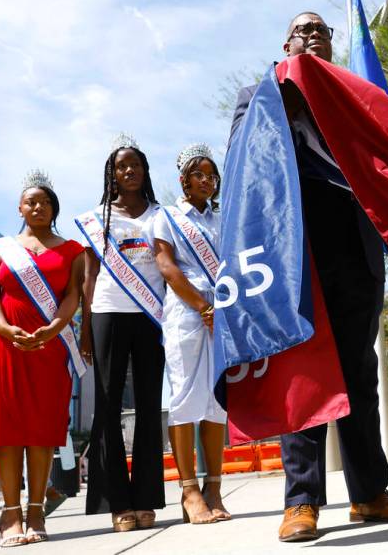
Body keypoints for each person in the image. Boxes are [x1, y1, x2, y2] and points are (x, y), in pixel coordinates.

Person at [230, 13, 388, 543]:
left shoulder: (352, 94)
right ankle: (301, 502)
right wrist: (286, 106)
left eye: (322, 30)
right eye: (303, 29)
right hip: (294, 257)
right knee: (304, 375)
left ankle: (369, 494)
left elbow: (379, 172)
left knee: (360, 377)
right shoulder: (259, 94)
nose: (314, 34)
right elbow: (244, 165)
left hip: (355, 254)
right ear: (286, 43)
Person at [76, 134, 167, 532]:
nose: (129, 171)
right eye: (121, 166)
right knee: (108, 409)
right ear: (112, 175)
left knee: (149, 406)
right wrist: (84, 329)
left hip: (151, 315)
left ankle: (146, 499)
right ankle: (118, 504)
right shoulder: (97, 219)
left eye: (136, 165)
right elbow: (87, 276)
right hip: (107, 313)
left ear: (145, 171)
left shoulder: (160, 214)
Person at [0, 172, 85, 546]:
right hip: (6, 345)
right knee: (7, 429)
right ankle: (11, 513)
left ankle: (36, 509)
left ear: (53, 207)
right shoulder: (1, 249)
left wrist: (52, 329)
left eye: (45, 201)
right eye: (31, 201)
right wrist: (2, 328)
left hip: (50, 346)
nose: (38, 206)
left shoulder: (72, 251)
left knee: (43, 429)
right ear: (20, 208)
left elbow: (73, 297)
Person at [150, 143, 229, 525]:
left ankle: (214, 486)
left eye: (212, 175)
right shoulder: (166, 217)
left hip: (222, 312)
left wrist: (221, 307)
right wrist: (201, 306)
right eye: (200, 174)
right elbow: (166, 266)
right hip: (186, 311)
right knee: (183, 396)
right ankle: (189, 491)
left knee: (217, 402)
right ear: (183, 180)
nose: (207, 180)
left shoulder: (222, 218)